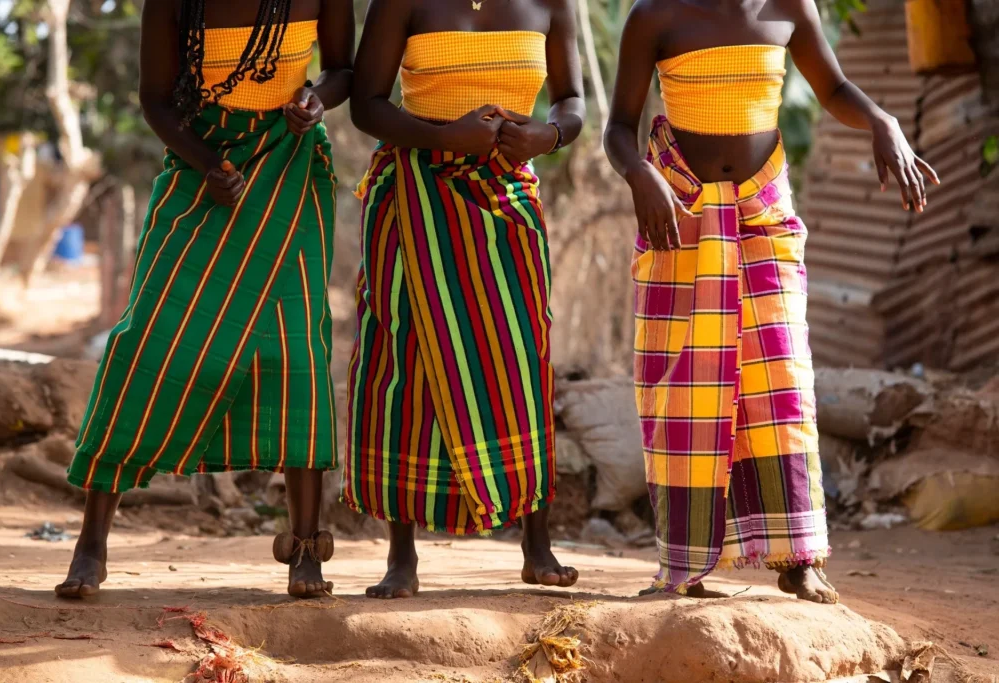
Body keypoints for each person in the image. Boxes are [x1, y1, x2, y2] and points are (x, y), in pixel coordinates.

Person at [604, 0, 939, 603]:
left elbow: (832, 85)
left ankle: (798, 556)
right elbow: (617, 128)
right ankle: (684, 563)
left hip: (764, 213)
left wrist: (883, 121)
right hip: (680, 214)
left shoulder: (789, 5)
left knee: (781, 380)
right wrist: (640, 177)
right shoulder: (652, 15)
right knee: (684, 389)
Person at [57, 0, 353, 600]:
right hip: (202, 169)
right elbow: (157, 103)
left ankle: (305, 548)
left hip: (291, 169)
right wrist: (208, 164)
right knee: (148, 340)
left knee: (295, 349)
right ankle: (92, 541)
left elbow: (343, 70)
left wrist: (315, 98)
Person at [345, 0, 586, 599]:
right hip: (412, 194)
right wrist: (440, 135)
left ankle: (536, 544)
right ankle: (401, 556)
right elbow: (367, 104)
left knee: (520, 357)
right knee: (404, 359)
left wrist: (548, 134)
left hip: (506, 198)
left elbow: (573, 101)